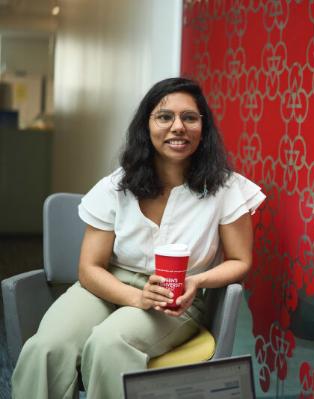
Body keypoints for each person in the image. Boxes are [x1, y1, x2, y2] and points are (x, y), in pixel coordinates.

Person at [11, 77, 266, 398]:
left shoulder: (227, 188)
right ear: (146, 126)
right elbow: (89, 268)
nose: (178, 127)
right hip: (108, 285)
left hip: (175, 295)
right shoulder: (116, 185)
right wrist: (134, 297)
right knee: (46, 347)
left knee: (108, 344)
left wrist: (197, 283)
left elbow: (241, 261)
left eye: (189, 117)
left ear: (204, 127)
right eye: (164, 117)